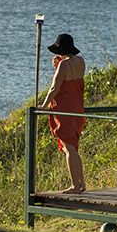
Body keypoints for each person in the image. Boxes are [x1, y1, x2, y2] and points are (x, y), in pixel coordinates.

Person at [40, 32, 86, 193]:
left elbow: (55, 87)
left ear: (61, 50)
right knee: (73, 147)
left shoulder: (64, 65)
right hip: (77, 108)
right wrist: (58, 64)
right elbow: (71, 78)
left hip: (64, 109)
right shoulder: (80, 61)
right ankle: (81, 183)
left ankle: (75, 185)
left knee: (69, 148)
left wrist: (44, 105)